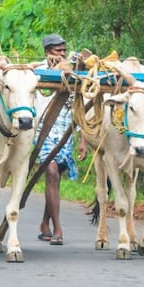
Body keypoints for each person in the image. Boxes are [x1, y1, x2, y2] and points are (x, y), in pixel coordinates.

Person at [35, 34, 87, 245]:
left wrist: (83, 139)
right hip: (43, 131)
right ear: (48, 52)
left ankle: (44, 224)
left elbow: (80, 106)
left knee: (55, 178)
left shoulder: (74, 72)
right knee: (52, 172)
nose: (62, 54)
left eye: (64, 50)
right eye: (58, 51)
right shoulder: (36, 72)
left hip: (66, 131)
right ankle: (58, 229)